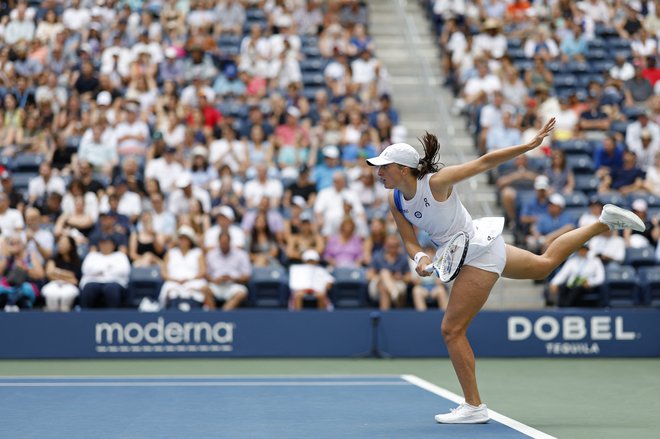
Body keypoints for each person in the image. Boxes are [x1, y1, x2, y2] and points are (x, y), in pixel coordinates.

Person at [366, 117, 645, 424]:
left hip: (477, 254)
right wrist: (419, 257)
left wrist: (528, 145)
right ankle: (603, 222)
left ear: (403, 169)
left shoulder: (437, 182)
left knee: (451, 330)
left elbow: (484, 161)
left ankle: (474, 406)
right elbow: (409, 241)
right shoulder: (395, 200)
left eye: (384, 167)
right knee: (544, 265)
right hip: (481, 247)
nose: (378, 173)